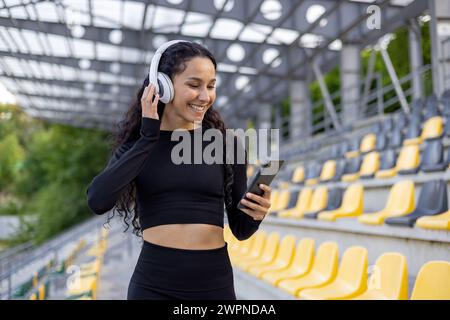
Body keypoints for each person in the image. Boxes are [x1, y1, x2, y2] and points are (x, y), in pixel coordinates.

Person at [86, 40, 272, 300]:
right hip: (153, 286)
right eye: (194, 85)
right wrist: (148, 138)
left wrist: (256, 213)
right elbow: (98, 199)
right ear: (163, 86)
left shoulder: (227, 144)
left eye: (211, 86)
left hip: (214, 285)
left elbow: (241, 230)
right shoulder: (138, 147)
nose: (205, 96)